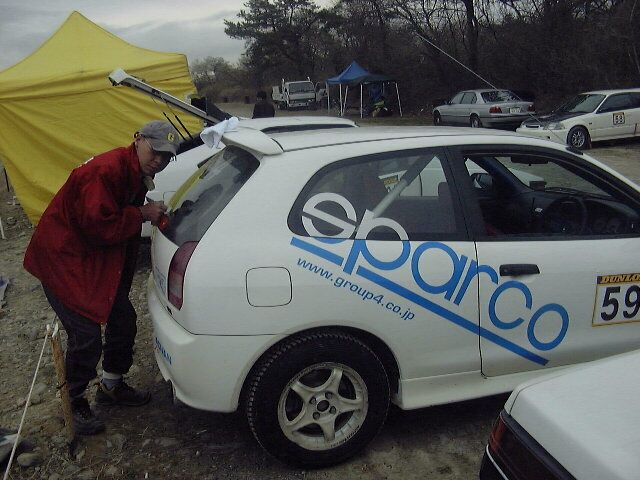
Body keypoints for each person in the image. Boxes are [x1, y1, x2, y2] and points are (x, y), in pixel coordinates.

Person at [23, 120, 182, 435]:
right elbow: (96, 226)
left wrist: (141, 210)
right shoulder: (105, 170)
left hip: (91, 260)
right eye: (155, 151)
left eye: (166, 156)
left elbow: (111, 218)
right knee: (86, 336)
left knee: (123, 320)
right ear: (138, 139)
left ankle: (111, 385)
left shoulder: (134, 172)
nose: (159, 160)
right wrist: (141, 214)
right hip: (63, 259)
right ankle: (74, 402)